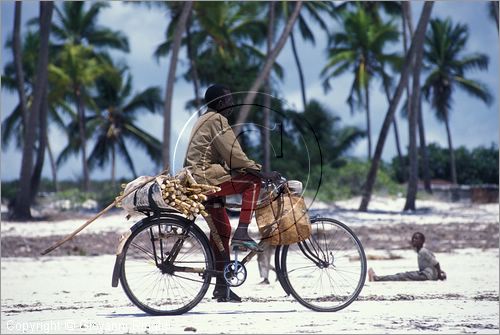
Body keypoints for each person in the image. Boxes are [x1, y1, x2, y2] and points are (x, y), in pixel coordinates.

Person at [184, 84, 280, 302]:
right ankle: (243, 232)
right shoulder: (217, 120)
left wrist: (244, 167)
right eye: (228, 101)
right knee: (253, 182)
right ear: (220, 103)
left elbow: (224, 155)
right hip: (205, 178)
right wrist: (259, 171)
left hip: (198, 177)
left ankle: (222, 286)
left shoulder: (203, 119)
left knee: (221, 231)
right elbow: (233, 154)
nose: (231, 106)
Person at [368, 232, 447, 282]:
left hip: (426, 276)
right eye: (413, 238)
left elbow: (436, 264)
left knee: (402, 276)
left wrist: (439, 275)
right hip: (424, 274)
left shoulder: (423, 251)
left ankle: (376, 278)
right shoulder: (420, 251)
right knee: (403, 275)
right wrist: (440, 273)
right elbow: (433, 264)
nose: (413, 240)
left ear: (422, 241)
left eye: (416, 238)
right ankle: (377, 278)